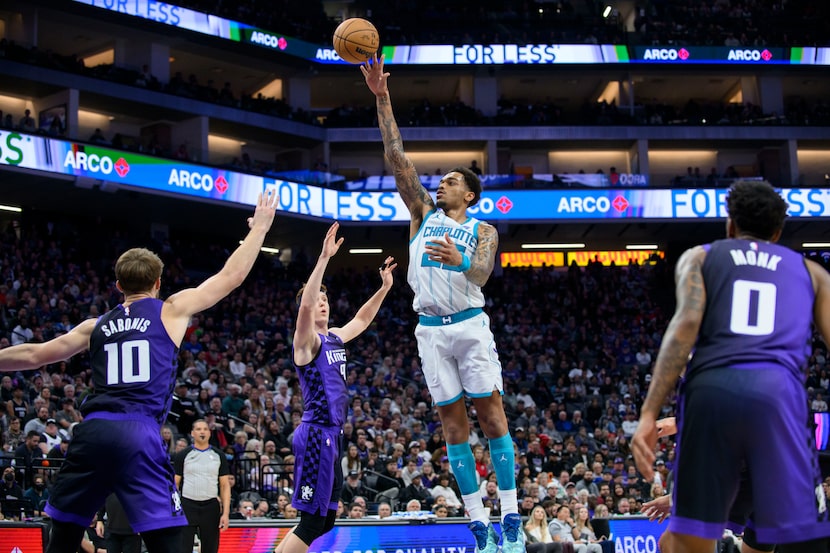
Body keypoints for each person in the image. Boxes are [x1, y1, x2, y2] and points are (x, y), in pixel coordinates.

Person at [0, 190, 279, 553]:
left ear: (118, 286)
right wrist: (259, 229)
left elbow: (35, 355)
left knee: (64, 538)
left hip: (93, 430)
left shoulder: (95, 325)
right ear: (159, 283)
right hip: (139, 431)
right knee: (165, 541)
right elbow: (232, 276)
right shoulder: (171, 310)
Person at [362, 53, 523, 553]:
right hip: (430, 330)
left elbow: (481, 275)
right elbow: (397, 157)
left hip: (471, 325)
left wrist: (458, 260)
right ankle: (479, 525)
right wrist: (382, 97)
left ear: (471, 195)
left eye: (452, 180)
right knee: (452, 426)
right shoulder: (422, 212)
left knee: (492, 417)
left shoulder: (483, 230)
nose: (442, 182)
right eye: (443, 179)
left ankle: (511, 518)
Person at [632, 180, 830, 553]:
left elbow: (685, 327)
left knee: (686, 543)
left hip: (714, 396)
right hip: (779, 403)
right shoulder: (813, 274)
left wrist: (649, 412)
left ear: (729, 226)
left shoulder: (701, 257)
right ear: (778, 231)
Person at [273, 222, 396, 553]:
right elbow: (306, 306)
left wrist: (384, 288)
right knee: (311, 521)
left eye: (326, 298)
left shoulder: (336, 336)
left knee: (326, 520)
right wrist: (325, 258)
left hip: (332, 435)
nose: (322, 303)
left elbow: (362, 319)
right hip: (315, 433)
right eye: (318, 299)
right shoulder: (306, 342)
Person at [174, 419, 231, 553]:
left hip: (210, 506)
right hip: (187, 505)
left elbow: (224, 485)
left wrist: (226, 514)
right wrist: (174, 510)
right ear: (192, 433)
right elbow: (175, 484)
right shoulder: (183, 455)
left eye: (205, 429)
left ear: (209, 433)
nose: (202, 432)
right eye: (198, 429)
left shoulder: (218, 455)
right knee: (183, 548)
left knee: (210, 549)